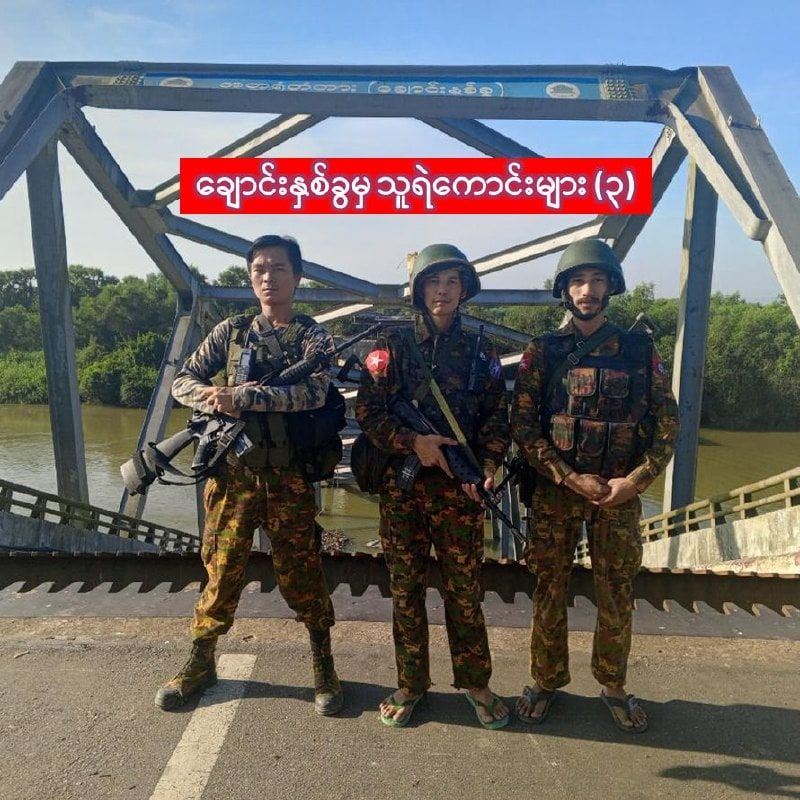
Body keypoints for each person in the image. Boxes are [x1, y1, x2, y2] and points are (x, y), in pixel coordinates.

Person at [155, 234, 343, 716]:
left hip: (288, 480)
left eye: (278, 268)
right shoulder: (231, 331)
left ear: (297, 277)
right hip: (232, 479)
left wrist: (246, 397)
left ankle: (324, 665)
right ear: (250, 275)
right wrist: (213, 398)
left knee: (303, 576)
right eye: (259, 268)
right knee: (219, 573)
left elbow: (315, 394)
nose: (268, 276)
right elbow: (182, 381)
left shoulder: (312, 337)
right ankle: (200, 663)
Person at [511, 238, 679, 733]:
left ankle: (613, 685)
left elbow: (667, 424)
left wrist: (635, 481)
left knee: (617, 592)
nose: (587, 290)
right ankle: (544, 680)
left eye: (597, 280)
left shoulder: (639, 349)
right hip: (556, 494)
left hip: (618, 496)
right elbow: (523, 427)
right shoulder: (543, 351)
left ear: (611, 286)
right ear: (564, 289)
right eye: (578, 281)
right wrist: (567, 475)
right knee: (549, 588)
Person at [355, 243, 511, 729]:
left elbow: (496, 421)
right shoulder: (392, 350)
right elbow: (368, 413)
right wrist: (411, 442)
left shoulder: (482, 355)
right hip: (403, 493)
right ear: (419, 290)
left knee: (464, 591)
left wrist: (487, 468)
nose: (442, 292)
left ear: (464, 291)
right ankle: (410, 685)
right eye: (432, 282)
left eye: (451, 283)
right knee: (406, 592)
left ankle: (476, 683)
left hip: (459, 497)